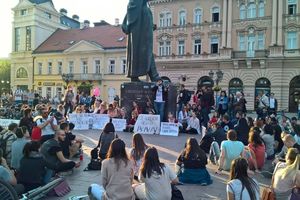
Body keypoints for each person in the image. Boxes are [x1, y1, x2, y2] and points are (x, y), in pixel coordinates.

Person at [122, 0, 159, 82]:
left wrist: (151, 26)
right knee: (141, 52)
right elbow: (131, 9)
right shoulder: (140, 5)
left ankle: (154, 75)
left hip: (145, 34)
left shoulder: (146, 7)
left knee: (148, 52)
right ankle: (137, 76)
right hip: (138, 35)